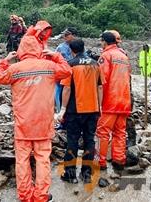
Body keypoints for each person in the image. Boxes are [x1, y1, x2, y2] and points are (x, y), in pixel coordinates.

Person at [0, 35, 72, 202]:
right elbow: (67, 71)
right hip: (43, 123)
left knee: (22, 161)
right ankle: (41, 196)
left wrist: (5, 60)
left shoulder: (15, 69)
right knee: (43, 159)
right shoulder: (49, 66)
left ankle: (25, 195)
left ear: (21, 49)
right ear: (38, 48)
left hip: (23, 124)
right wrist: (55, 55)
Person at [55, 39, 101, 184]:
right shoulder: (95, 64)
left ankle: (70, 175)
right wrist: (99, 106)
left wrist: (62, 109)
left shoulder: (70, 65)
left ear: (71, 50)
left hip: (75, 110)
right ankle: (86, 174)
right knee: (89, 140)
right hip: (92, 109)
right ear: (83, 48)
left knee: (72, 141)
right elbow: (100, 87)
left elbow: (67, 88)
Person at [96, 31, 131, 177]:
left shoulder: (105, 56)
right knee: (120, 133)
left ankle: (101, 162)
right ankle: (119, 160)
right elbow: (129, 79)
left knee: (103, 133)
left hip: (110, 101)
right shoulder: (124, 56)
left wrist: (99, 103)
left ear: (104, 41)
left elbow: (102, 81)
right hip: (124, 101)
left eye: (101, 41)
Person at [54, 27, 77, 116]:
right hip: (63, 75)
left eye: (67, 34)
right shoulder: (60, 47)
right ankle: (61, 117)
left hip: (75, 74)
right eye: (64, 34)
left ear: (74, 35)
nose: (65, 36)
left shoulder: (78, 46)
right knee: (59, 94)